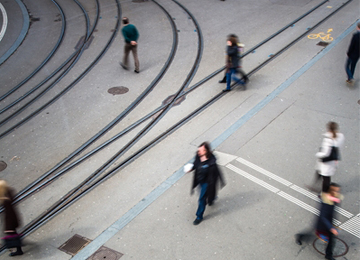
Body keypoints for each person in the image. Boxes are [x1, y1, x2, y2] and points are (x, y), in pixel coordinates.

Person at [295, 183, 343, 260]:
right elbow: (323, 216)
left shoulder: (334, 199)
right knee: (312, 234)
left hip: (328, 222)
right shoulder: (326, 202)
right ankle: (299, 236)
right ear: (331, 191)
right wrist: (331, 228)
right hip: (322, 223)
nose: (338, 192)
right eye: (336, 191)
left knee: (330, 239)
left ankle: (328, 255)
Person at [188, 142, 225, 225]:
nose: (198, 152)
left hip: (207, 182)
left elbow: (215, 174)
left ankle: (199, 216)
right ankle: (211, 199)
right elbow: (195, 164)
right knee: (207, 195)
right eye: (198, 150)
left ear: (205, 151)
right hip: (199, 180)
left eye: (200, 151)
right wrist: (191, 169)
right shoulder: (198, 156)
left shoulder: (211, 162)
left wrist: (212, 184)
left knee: (202, 199)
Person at [308, 122, 344, 193]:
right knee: (321, 172)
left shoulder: (328, 140)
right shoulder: (341, 136)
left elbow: (325, 154)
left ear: (328, 129)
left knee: (325, 177)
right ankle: (315, 184)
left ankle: (324, 193)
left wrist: (318, 154)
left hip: (326, 162)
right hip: (334, 160)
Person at [0, 180, 23, 256]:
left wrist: (8, 227)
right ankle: (19, 248)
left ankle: (19, 249)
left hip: (10, 221)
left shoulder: (5, 200)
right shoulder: (9, 193)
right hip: (14, 219)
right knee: (14, 234)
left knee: (13, 235)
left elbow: (8, 214)